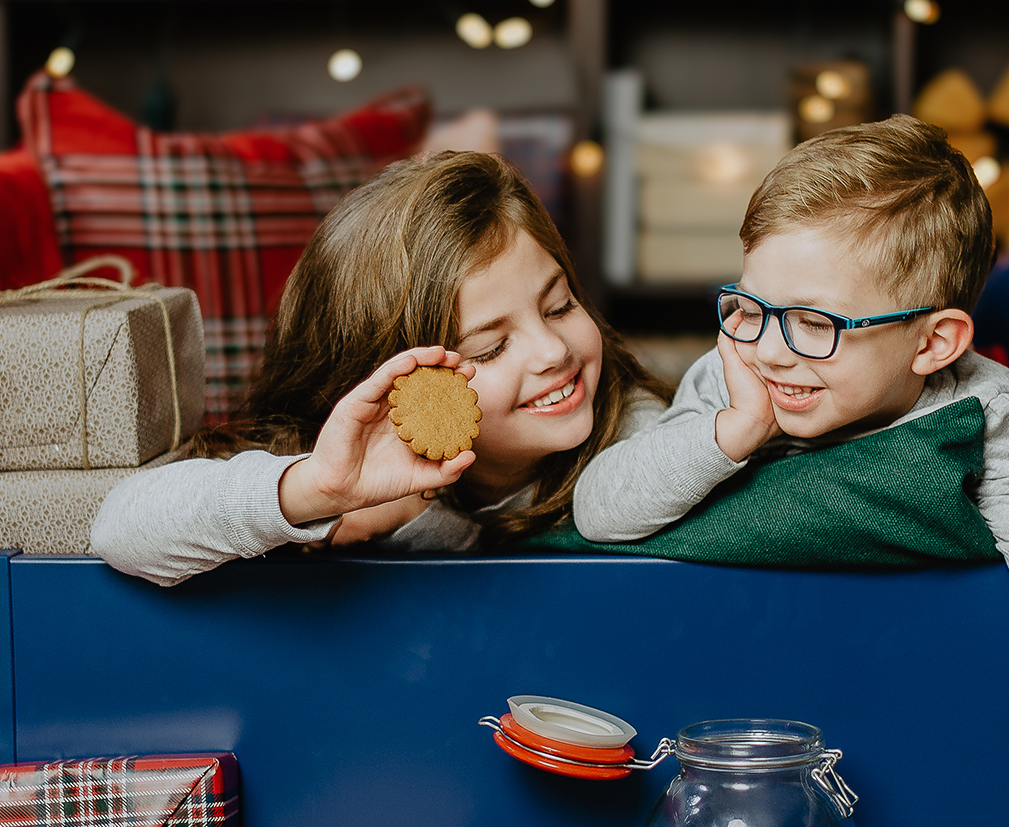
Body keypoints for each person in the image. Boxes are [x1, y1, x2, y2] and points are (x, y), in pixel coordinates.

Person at [572, 116, 1009, 755]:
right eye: (752, 306)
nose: (770, 351)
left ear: (933, 343)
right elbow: (599, 512)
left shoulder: (987, 412)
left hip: (907, 689)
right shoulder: (732, 374)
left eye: (813, 322)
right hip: (729, 680)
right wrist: (732, 430)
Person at [91, 151, 669, 584]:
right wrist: (318, 491)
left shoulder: (644, 444)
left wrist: (429, 524)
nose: (552, 351)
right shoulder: (351, 463)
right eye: (490, 348)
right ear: (398, 385)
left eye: (560, 305)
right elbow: (120, 528)